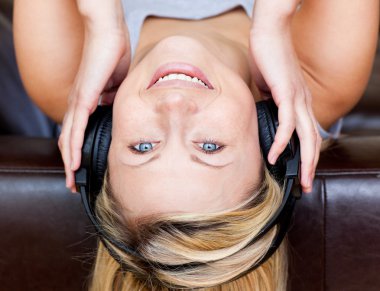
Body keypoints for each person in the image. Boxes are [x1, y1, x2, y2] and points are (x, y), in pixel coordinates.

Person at [13, 0, 379, 290]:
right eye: (209, 146)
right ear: (272, 146)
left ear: (102, 140)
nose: (174, 106)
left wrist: (101, 17)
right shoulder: (322, 74)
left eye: (142, 147)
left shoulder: (63, 76)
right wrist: (273, 20)